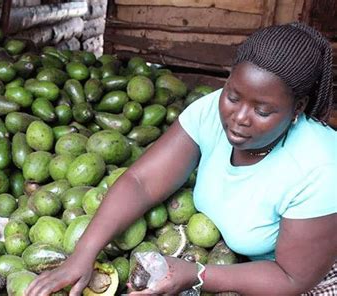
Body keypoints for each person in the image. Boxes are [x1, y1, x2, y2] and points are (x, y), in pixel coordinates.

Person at [26, 22, 337, 295]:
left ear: (298, 107)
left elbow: (291, 278)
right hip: (226, 261)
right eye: (232, 96)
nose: (239, 117)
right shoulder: (211, 112)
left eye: (262, 111)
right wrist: (84, 251)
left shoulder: (321, 167)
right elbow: (141, 181)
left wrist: (198, 276)